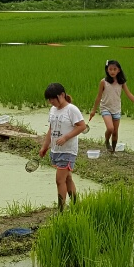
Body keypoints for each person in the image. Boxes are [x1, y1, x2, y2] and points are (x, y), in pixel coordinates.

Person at [38, 83, 87, 211]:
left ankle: (61, 211)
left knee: (59, 181)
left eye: (53, 98)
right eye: (49, 99)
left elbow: (82, 126)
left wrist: (66, 137)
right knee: (67, 178)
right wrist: (45, 146)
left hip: (68, 150)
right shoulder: (53, 110)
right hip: (56, 149)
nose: (51, 102)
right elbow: (51, 129)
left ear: (62, 95)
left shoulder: (71, 109)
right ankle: (76, 205)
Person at [90, 60, 134, 154]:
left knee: (115, 132)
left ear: (119, 70)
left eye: (114, 69)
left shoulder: (121, 82)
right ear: (107, 70)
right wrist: (93, 110)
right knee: (110, 128)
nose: (112, 71)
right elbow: (99, 96)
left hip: (116, 109)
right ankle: (106, 141)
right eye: (110, 69)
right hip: (105, 108)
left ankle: (112, 151)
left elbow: (129, 94)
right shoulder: (103, 82)